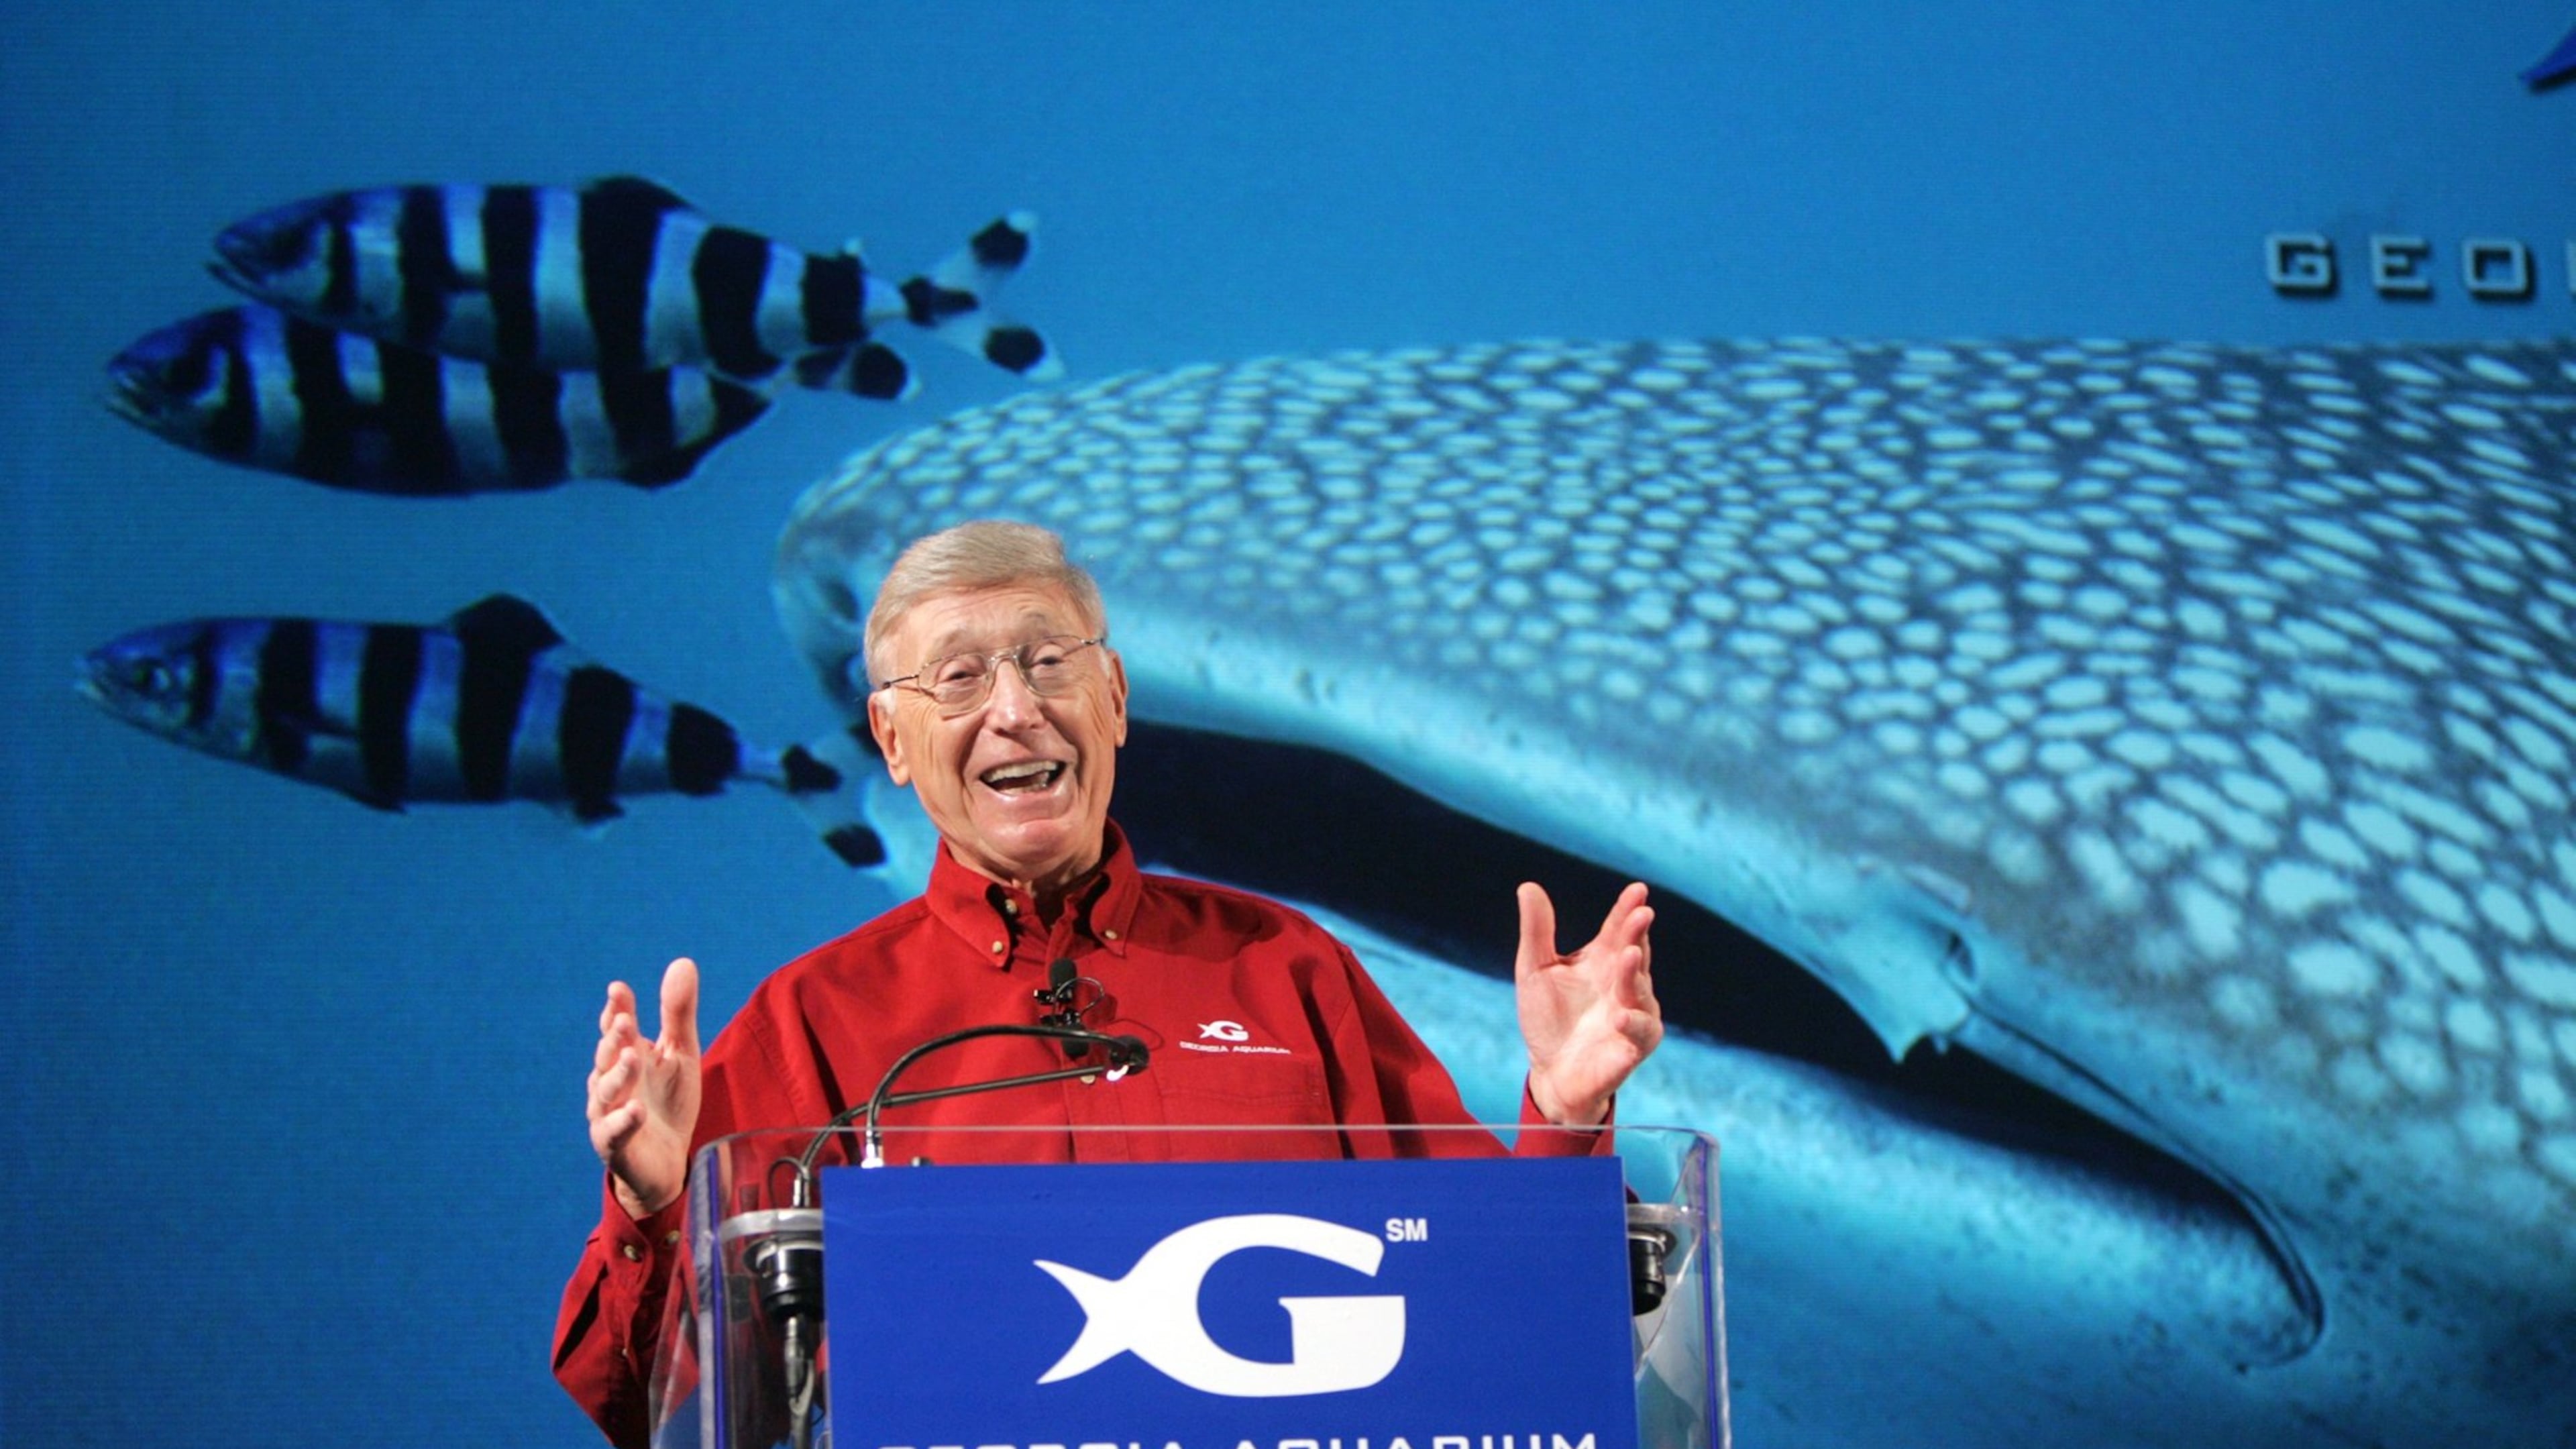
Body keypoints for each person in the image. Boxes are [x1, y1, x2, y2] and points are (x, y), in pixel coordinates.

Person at [555, 519, 1662, 1446]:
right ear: (891, 738)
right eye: (958, 678)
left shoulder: (1287, 966)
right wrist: (653, 1208)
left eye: (1050, 663)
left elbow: (1491, 1302)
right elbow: (635, 1403)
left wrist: (1564, 1115)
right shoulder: (811, 1020)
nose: (1015, 708)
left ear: (1117, 698)